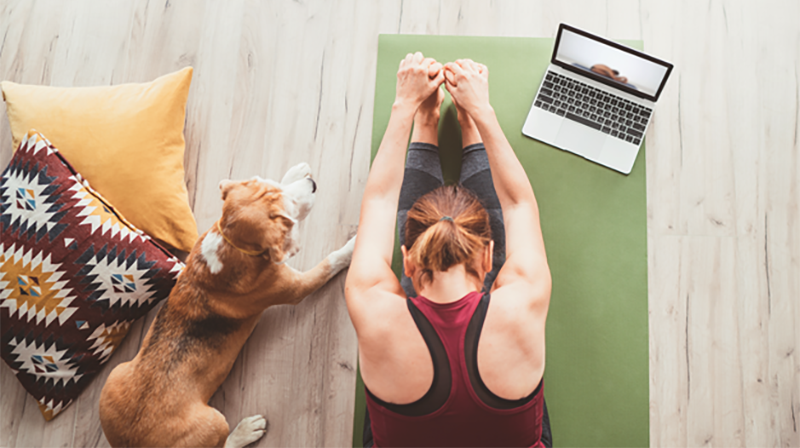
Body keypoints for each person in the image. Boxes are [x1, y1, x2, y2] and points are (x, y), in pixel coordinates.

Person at [345, 52, 552, 448]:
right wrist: (481, 112)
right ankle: (467, 125)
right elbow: (518, 205)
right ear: (489, 259)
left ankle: (428, 122)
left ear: (406, 260)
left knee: (438, 263)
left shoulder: (375, 309)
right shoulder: (522, 300)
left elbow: (380, 202)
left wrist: (407, 107)